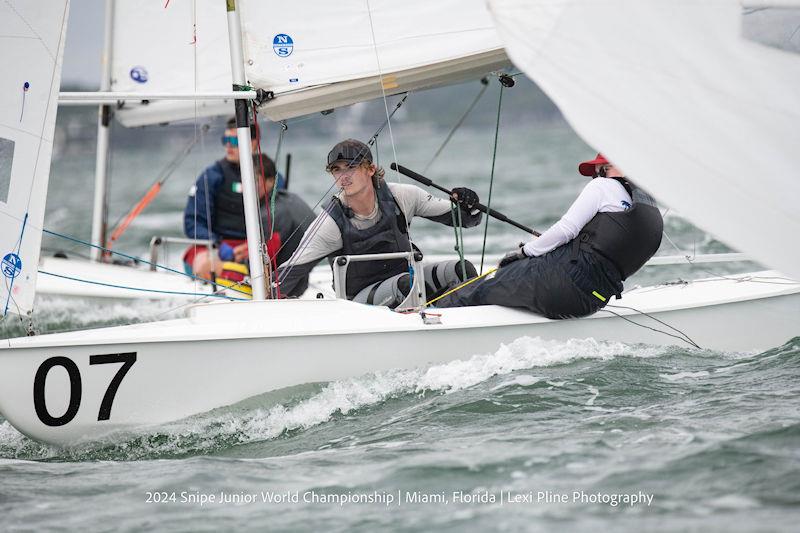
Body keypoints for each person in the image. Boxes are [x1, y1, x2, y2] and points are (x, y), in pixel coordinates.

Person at [435, 153, 663, 318]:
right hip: (594, 299)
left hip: (563, 285)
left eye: (597, 171)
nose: (594, 177)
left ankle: (429, 315)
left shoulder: (602, 186)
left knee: (482, 286)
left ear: (607, 167)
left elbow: (566, 230)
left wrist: (524, 252)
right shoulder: (646, 203)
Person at [276, 139, 483, 307]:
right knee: (407, 285)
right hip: (358, 303)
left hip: (406, 283)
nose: (343, 176)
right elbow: (290, 272)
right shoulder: (329, 223)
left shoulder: (403, 196)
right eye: (336, 169)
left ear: (371, 169)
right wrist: (262, 300)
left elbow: (466, 219)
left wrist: (469, 204)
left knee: (462, 270)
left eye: (351, 167)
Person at [183, 119, 313, 295]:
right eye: (225, 141)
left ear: (253, 142)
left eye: (235, 141)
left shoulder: (273, 178)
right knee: (204, 265)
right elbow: (193, 224)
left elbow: (278, 223)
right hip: (219, 245)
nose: (228, 146)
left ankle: (265, 286)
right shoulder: (212, 176)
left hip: (259, 247)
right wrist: (218, 245)